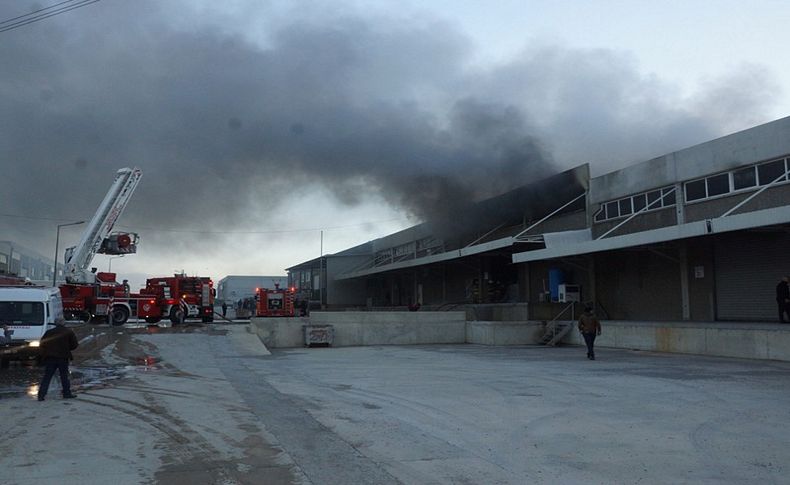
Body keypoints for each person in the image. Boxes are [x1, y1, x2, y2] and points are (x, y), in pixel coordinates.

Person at [37, 318, 79, 401]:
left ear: (55, 323)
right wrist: (67, 348)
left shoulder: (49, 332)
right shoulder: (68, 332)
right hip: (63, 357)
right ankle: (67, 393)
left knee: (47, 377)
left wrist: (46, 352)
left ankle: (41, 395)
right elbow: (74, 345)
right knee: (64, 376)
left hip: (50, 358)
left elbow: (42, 344)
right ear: (63, 323)